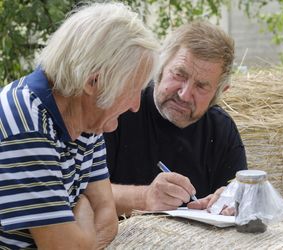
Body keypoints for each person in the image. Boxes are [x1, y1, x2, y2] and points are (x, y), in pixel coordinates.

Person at [0, 2, 158, 249]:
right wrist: (83, 209)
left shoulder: (85, 121)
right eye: (132, 89)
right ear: (93, 82)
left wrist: (79, 233)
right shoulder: (25, 124)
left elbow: (108, 220)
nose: (136, 105)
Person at [104, 20, 247, 217]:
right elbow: (82, 193)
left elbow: (240, 197)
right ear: (160, 67)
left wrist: (231, 201)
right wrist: (144, 198)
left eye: (201, 86)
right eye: (179, 74)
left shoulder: (222, 129)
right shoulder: (119, 108)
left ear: (220, 92)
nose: (184, 94)